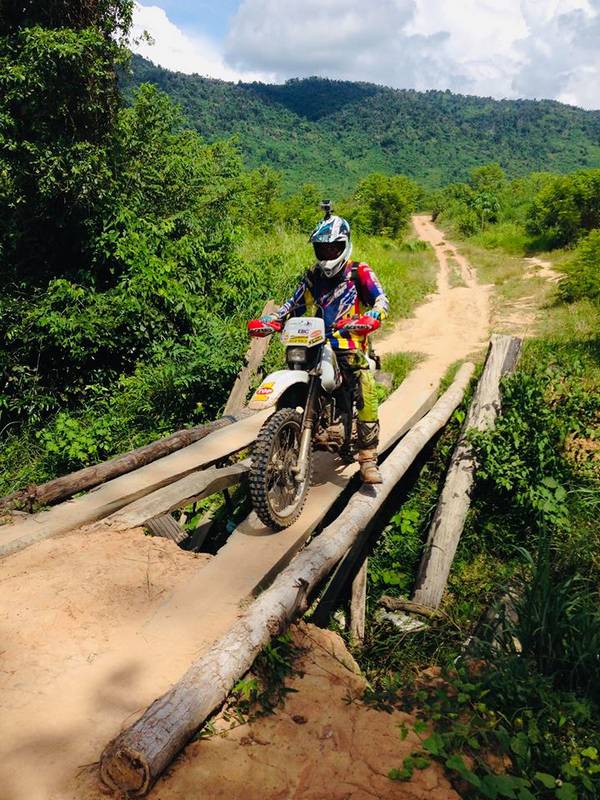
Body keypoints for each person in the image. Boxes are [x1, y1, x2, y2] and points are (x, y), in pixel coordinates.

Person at [263, 206, 389, 484]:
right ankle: (280, 444)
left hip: (349, 344)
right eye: (323, 250)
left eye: (334, 249)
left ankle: (368, 457)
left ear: (345, 245)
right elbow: (293, 305)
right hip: (314, 342)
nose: (328, 255)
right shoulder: (313, 279)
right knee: (293, 380)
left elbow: (381, 301)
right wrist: (272, 320)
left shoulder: (359, 273)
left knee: (365, 386)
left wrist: (371, 317)